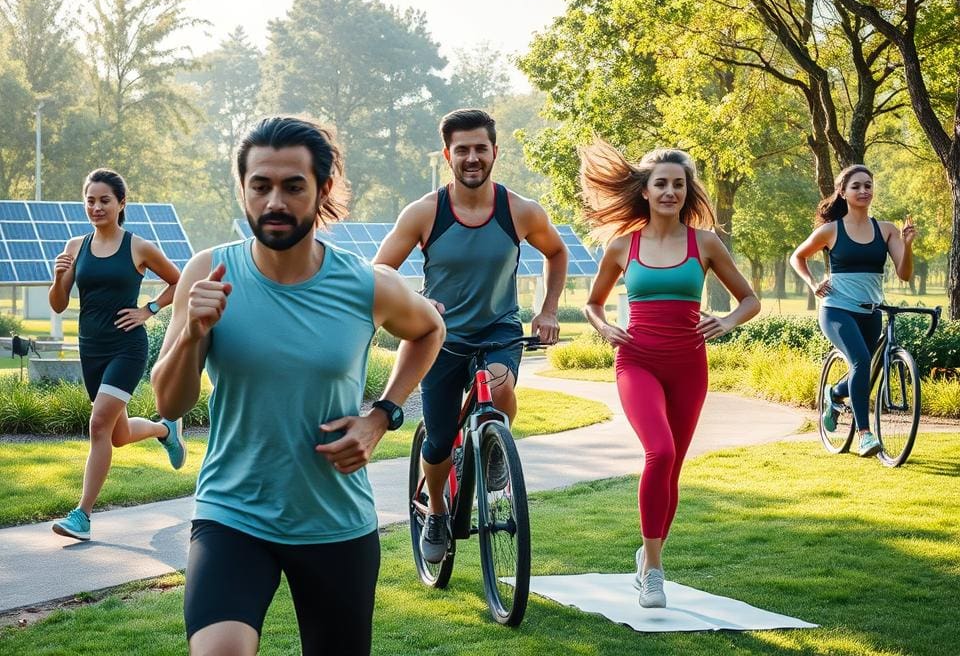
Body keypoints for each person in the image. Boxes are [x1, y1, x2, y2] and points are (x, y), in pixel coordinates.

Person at [152, 117, 445, 656]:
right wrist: (194, 332)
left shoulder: (365, 283)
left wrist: (383, 415)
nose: (274, 202)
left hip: (335, 520)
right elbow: (169, 401)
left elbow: (430, 329)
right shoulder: (208, 272)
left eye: (293, 186)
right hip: (233, 512)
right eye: (260, 185)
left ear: (322, 189)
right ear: (242, 188)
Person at [374, 108, 568, 564]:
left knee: (499, 387)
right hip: (436, 338)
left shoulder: (520, 211)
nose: (472, 157)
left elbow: (556, 252)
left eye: (481, 148)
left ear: (495, 152)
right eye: (462, 150)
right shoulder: (425, 212)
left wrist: (549, 310)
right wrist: (415, 304)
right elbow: (380, 269)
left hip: (498, 328)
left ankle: (496, 447)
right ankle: (437, 512)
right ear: (448, 155)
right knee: (439, 442)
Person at [579, 141, 759, 609]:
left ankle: (647, 555)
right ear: (645, 190)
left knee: (673, 465)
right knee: (659, 451)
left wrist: (726, 321)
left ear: (687, 190)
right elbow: (593, 304)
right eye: (661, 183)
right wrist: (604, 327)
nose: (670, 192)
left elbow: (749, 300)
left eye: (679, 184)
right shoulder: (623, 245)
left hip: (688, 365)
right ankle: (654, 572)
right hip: (637, 360)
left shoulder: (705, 242)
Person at [48, 169, 184, 542]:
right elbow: (59, 305)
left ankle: (83, 516)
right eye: (90, 200)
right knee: (118, 435)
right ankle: (164, 428)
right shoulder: (75, 246)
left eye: (104, 200)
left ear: (121, 203)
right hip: (90, 349)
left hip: (126, 346)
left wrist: (149, 309)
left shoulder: (137, 246)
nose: (96, 207)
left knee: (98, 426)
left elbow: (179, 280)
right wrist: (59, 277)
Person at [790, 164, 916, 458]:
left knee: (866, 368)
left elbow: (905, 274)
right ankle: (865, 435)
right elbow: (798, 257)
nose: (863, 191)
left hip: (870, 313)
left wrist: (907, 245)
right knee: (860, 360)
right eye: (856, 186)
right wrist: (812, 283)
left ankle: (834, 394)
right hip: (836, 310)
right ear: (843, 192)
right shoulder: (831, 230)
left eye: (868, 186)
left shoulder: (885, 230)